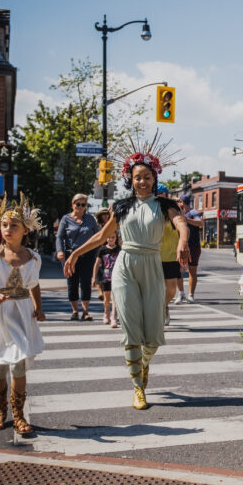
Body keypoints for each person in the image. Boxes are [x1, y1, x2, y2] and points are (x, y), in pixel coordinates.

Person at [64, 147, 189, 410]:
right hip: (126, 267)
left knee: (153, 338)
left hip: (153, 265)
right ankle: (138, 388)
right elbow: (100, 237)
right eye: (137, 177)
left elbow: (181, 224)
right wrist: (75, 253)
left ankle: (142, 364)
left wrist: (182, 243)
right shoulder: (121, 207)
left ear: (154, 178)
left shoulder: (166, 205)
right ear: (130, 180)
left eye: (146, 176)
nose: (142, 181)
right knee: (131, 331)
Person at [0, 194, 46, 435]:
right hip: (0, 313)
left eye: (13, 225)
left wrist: (39, 307)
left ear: (25, 229)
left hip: (23, 311)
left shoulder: (33, 258)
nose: (8, 229)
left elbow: (34, 284)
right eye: (4, 225)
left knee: (18, 363)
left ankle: (18, 414)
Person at [56, 194, 100, 321]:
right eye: (78, 204)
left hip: (88, 255)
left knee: (86, 282)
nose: (80, 207)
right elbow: (59, 237)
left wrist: (99, 254)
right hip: (71, 255)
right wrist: (60, 251)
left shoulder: (90, 219)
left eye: (83, 205)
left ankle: (85, 311)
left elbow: (97, 237)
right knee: (72, 283)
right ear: (72, 204)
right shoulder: (65, 219)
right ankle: (75, 311)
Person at [156, 184, 184, 317]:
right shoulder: (153, 212)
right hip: (154, 256)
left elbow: (182, 229)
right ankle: (158, 312)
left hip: (171, 256)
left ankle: (164, 305)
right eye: (158, 195)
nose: (161, 198)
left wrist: (184, 247)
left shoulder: (174, 212)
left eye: (163, 195)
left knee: (172, 290)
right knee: (157, 288)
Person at [93, 231, 121, 328]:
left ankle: (114, 317)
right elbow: (96, 264)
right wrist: (94, 278)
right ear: (106, 239)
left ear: (116, 238)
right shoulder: (102, 250)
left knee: (115, 298)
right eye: (109, 237)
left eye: (113, 237)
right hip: (106, 277)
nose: (111, 239)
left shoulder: (119, 249)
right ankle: (106, 313)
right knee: (106, 299)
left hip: (117, 277)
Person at [178, 194, 203, 303]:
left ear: (182, 202)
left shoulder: (193, 212)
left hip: (193, 246)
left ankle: (191, 295)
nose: (179, 203)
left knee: (192, 271)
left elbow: (200, 223)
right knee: (178, 271)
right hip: (181, 246)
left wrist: (186, 220)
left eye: (179, 201)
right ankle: (181, 294)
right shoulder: (179, 213)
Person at [93, 208, 111, 301]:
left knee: (107, 271)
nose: (105, 216)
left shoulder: (112, 225)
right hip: (99, 250)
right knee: (99, 272)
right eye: (103, 214)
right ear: (100, 216)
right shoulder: (97, 227)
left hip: (109, 251)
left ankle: (106, 292)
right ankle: (101, 292)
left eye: (107, 214)